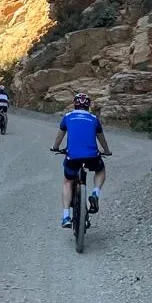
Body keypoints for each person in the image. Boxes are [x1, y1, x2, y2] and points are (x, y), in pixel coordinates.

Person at [51, 92, 111, 228]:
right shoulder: (94, 119)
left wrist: (55, 147)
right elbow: (102, 139)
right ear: (88, 106)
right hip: (92, 157)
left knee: (67, 182)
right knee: (100, 170)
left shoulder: (67, 117)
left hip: (72, 157)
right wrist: (107, 151)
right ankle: (95, 193)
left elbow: (59, 137)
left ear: (75, 104)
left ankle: (66, 216)